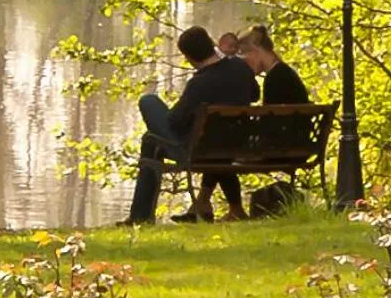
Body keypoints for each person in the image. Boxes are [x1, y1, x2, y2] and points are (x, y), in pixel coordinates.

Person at [125, 25, 257, 226]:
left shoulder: (199, 83)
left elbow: (175, 123)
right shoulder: (240, 68)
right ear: (212, 44)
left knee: (149, 102)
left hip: (196, 150)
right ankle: (139, 217)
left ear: (189, 58)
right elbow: (255, 94)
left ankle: (140, 217)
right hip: (235, 144)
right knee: (150, 142)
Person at [177, 24, 310, 222]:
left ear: (256, 50)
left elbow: (272, 125)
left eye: (243, 55)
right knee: (221, 143)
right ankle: (213, 205)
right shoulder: (283, 73)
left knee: (220, 147)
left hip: (281, 149)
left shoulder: (276, 79)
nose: (244, 62)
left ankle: (210, 205)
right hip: (297, 146)